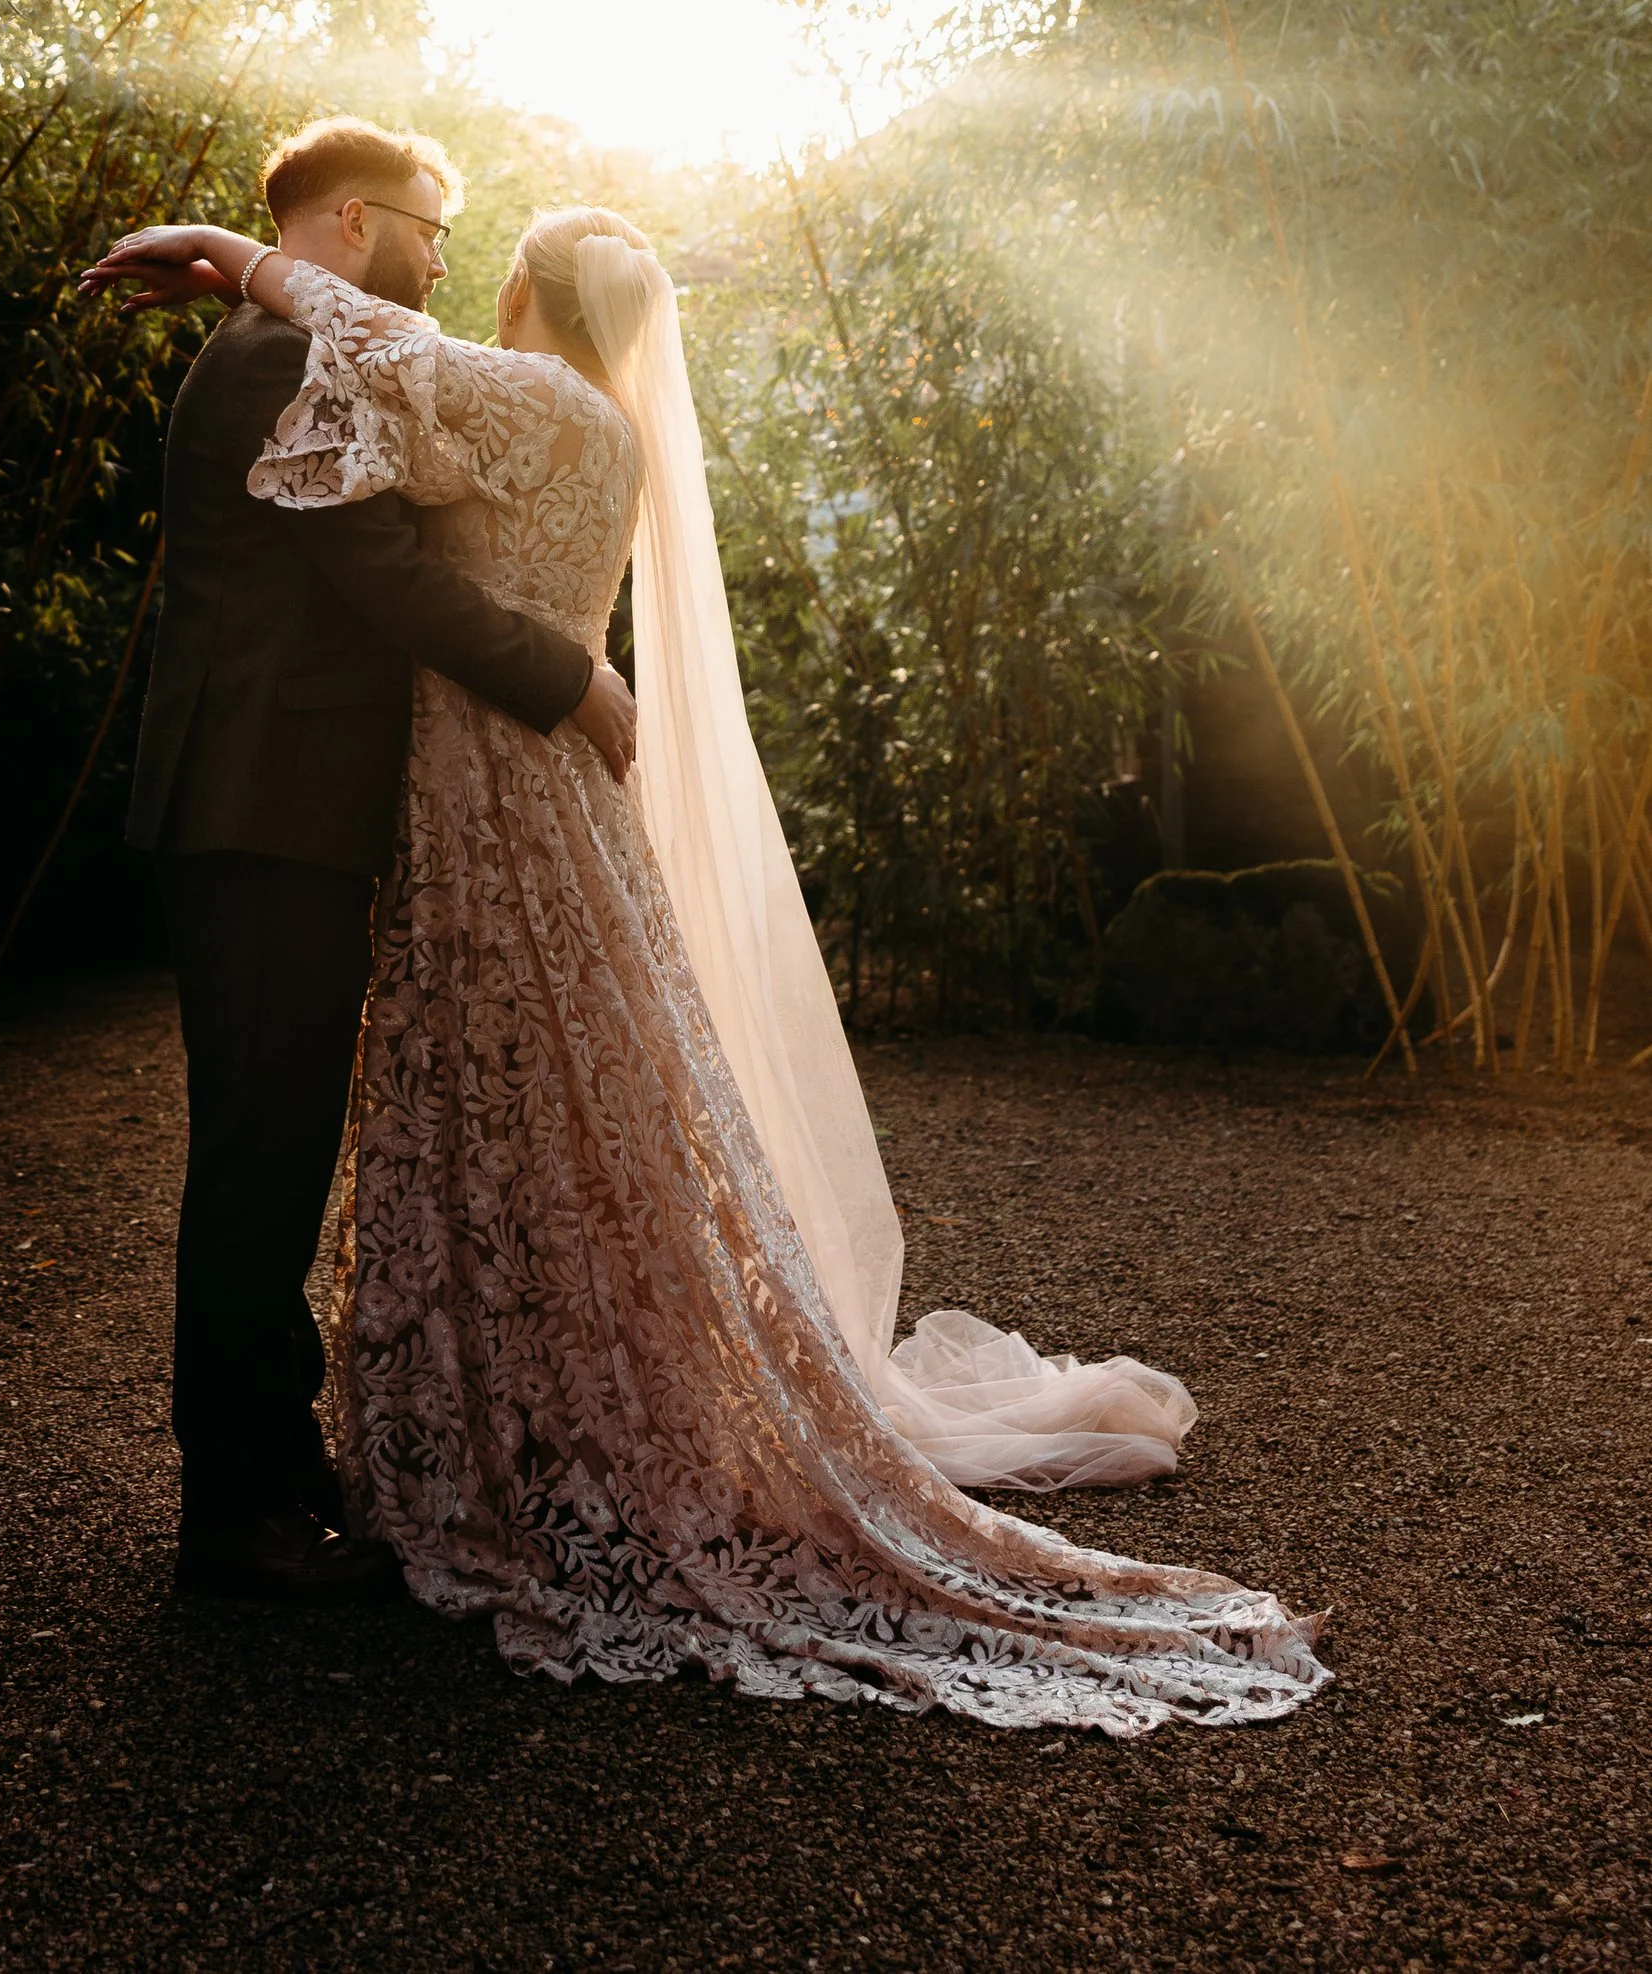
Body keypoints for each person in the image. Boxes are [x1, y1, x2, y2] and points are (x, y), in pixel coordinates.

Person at [85, 190, 1329, 1731]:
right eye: (431, 234)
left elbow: (378, 359)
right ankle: (513, 1415)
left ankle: (514, 1425)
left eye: (496, 267)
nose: (460, 280)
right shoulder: (593, 423)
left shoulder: (527, 400)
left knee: (524, 1100)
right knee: (568, 1104)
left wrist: (232, 249)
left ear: (539, 303)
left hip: (508, 786)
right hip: (515, 788)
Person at [98, 118, 641, 1607]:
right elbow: (387, 574)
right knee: (260, 1162)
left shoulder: (287, 343)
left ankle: (277, 1465)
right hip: (262, 808)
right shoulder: (282, 363)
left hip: (268, 809)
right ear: (354, 220)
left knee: (266, 1146)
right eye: (429, 231)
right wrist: (570, 677)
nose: (443, 263)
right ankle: (234, 1516)